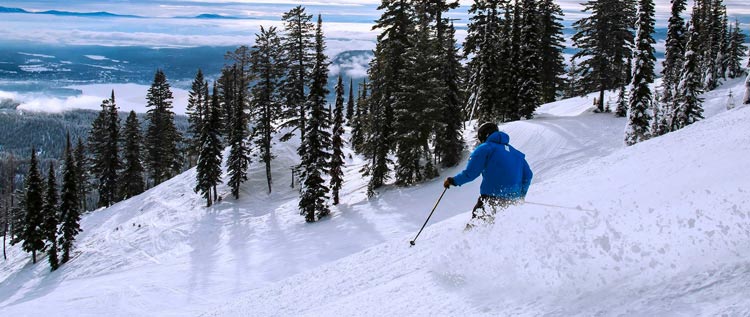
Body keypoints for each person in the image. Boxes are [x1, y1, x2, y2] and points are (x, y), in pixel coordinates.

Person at [444, 122, 533, 227]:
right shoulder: (517, 153)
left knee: (475, 228)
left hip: (491, 199)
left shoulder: (485, 148)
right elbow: (528, 175)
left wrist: (453, 181)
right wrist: (521, 196)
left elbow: (471, 173)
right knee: (504, 230)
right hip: (512, 202)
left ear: (484, 135)